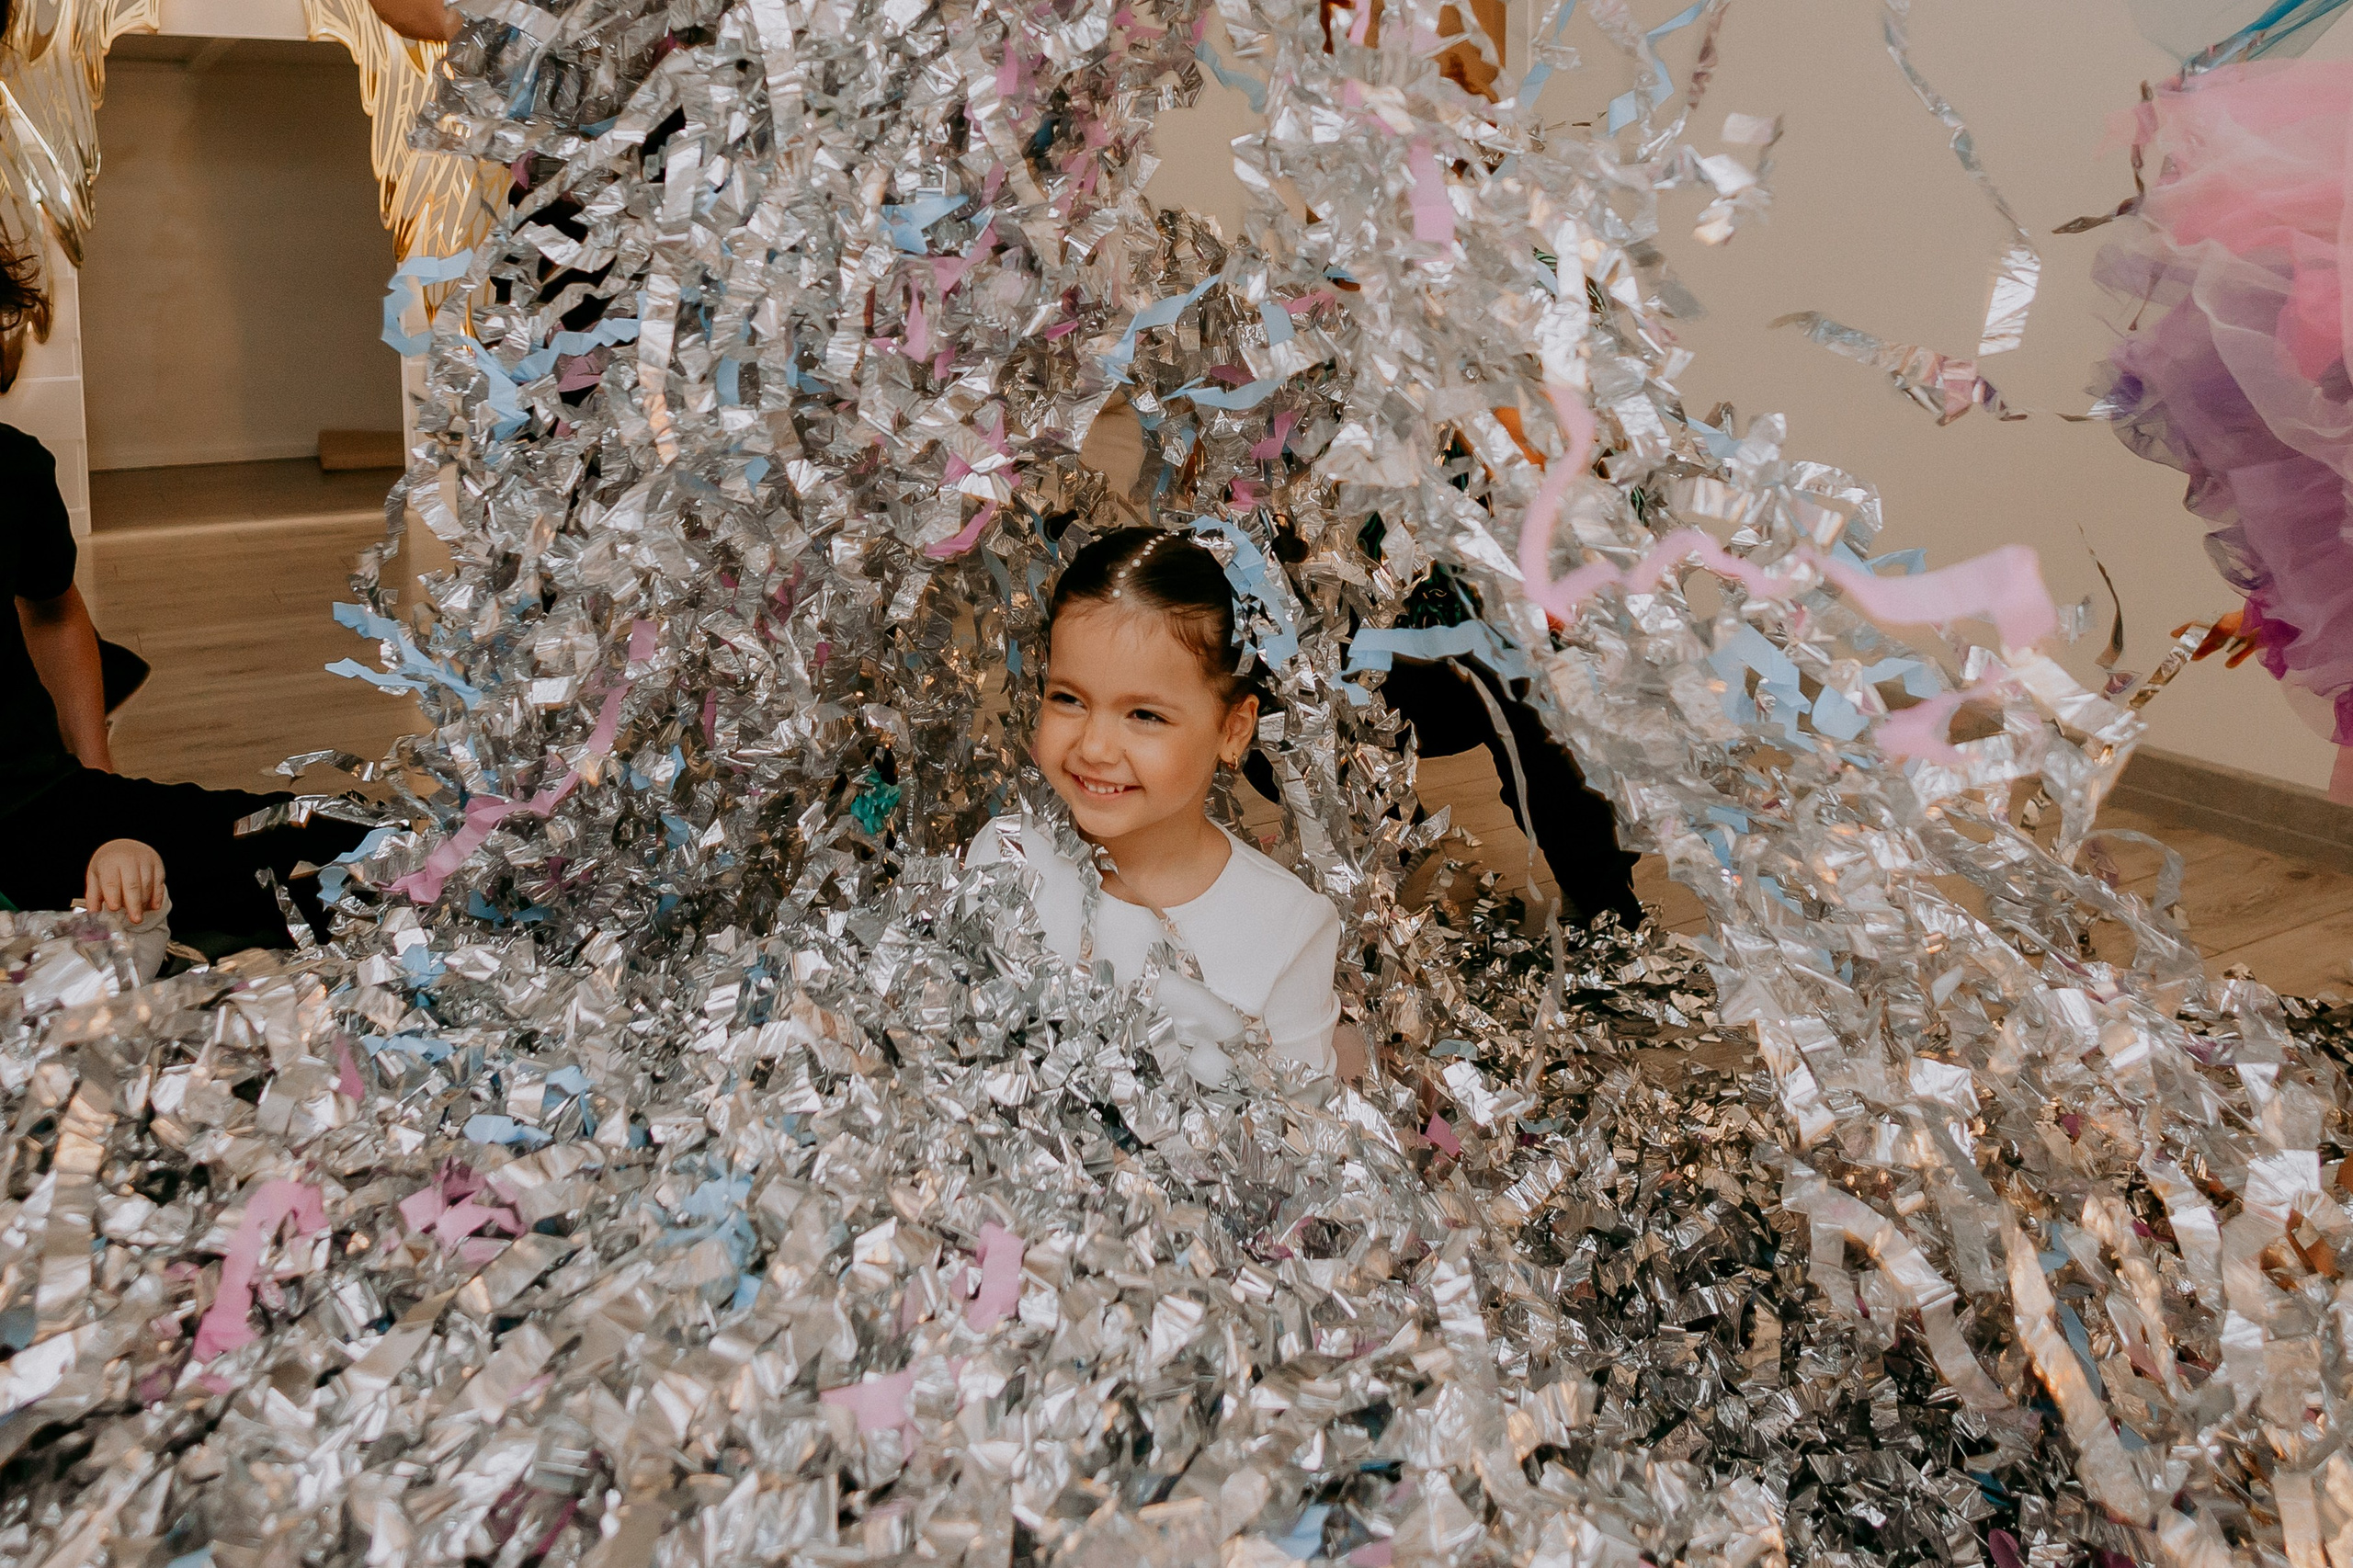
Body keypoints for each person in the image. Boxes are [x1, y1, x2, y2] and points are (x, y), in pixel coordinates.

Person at [968, 527, 1351, 1085]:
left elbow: (1307, 1129)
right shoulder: (1009, 854)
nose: (1094, 748)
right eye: (1068, 699)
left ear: (1232, 729)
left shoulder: (1288, 930)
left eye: (1145, 715)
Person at [1, 420, 365, 949]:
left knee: (358, 851)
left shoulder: (12, 462)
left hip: (35, 800)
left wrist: (98, 784)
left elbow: (53, 611)